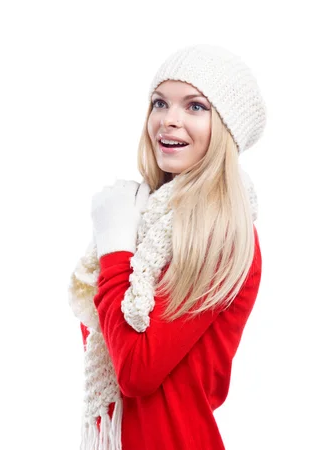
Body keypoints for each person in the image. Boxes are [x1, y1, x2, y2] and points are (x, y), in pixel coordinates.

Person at [67, 44, 267, 450]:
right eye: (160, 103)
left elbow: (136, 371)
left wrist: (115, 251)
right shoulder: (149, 222)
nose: (169, 120)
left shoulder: (217, 231)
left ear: (227, 131)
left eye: (195, 107)